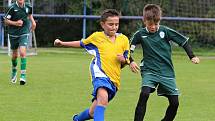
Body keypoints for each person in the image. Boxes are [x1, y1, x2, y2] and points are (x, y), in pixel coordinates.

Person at [54, 9, 130, 121]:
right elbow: (81, 43)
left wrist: (124, 60)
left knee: (93, 112)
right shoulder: (97, 37)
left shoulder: (124, 40)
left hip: (114, 80)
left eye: (116, 24)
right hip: (100, 74)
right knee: (103, 98)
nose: (114, 27)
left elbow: (125, 61)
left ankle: (76, 119)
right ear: (102, 24)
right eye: (110, 24)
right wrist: (62, 43)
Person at [129, 4, 200, 121]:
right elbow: (127, 51)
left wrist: (192, 56)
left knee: (175, 103)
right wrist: (131, 61)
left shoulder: (165, 31)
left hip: (167, 72)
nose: (153, 27)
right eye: (150, 24)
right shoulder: (140, 34)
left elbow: (183, 42)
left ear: (159, 21)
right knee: (144, 94)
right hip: (149, 70)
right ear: (144, 20)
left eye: (156, 24)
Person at [4, 0, 36, 85]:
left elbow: (29, 14)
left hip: (24, 32)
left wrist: (33, 22)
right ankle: (14, 70)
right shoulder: (12, 7)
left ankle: (23, 76)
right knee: (14, 55)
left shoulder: (28, 6)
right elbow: (6, 21)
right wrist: (15, 23)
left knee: (22, 52)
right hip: (13, 34)